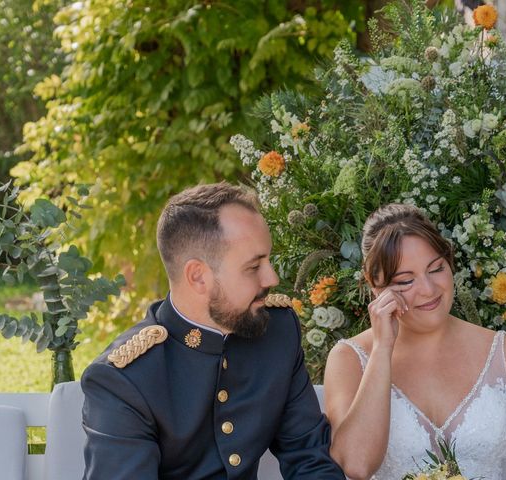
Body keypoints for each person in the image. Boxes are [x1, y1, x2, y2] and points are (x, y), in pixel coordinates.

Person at [81, 182, 345, 479]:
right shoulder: (123, 379)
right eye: (253, 266)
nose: (271, 277)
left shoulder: (277, 332)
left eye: (268, 260)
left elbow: (310, 459)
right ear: (198, 277)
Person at [324, 203, 506, 480]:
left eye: (436, 269)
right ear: (375, 284)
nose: (428, 290)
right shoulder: (349, 358)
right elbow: (355, 465)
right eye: (405, 281)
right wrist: (382, 349)